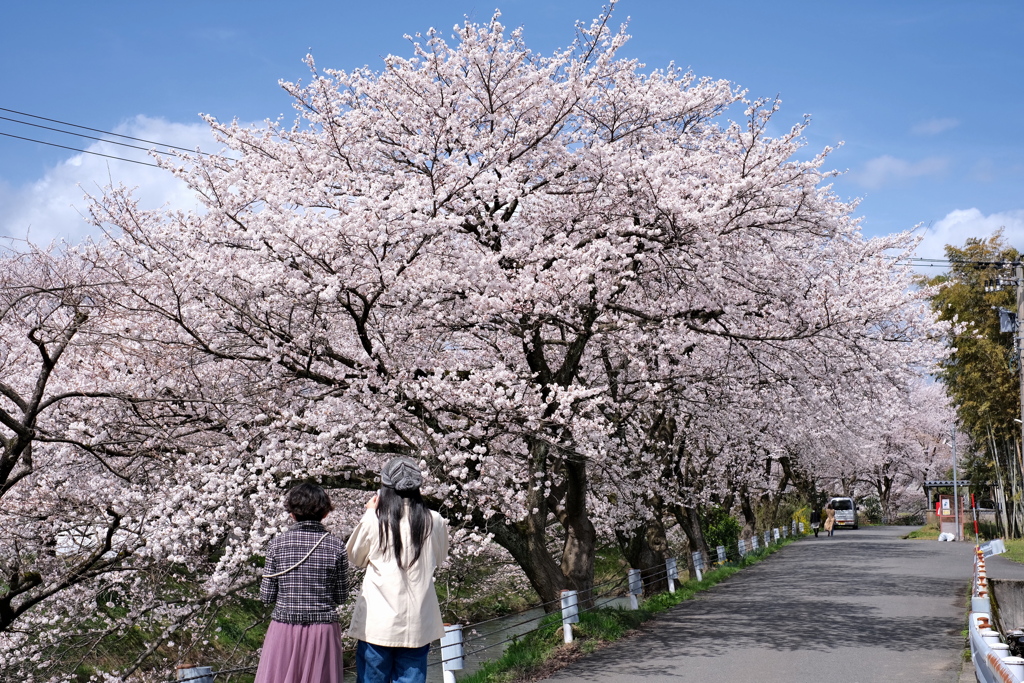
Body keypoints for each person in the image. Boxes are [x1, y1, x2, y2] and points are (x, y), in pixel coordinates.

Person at [347, 456, 450, 683]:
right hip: (418, 620)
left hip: (377, 622)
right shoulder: (434, 520)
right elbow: (439, 558)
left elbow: (355, 556)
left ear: (385, 488)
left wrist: (369, 513)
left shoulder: (374, 519)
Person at [255, 483, 348, 683]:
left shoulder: (276, 545)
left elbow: (266, 596)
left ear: (292, 514)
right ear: (325, 514)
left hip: (284, 628)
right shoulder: (337, 546)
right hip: (322, 630)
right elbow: (341, 597)